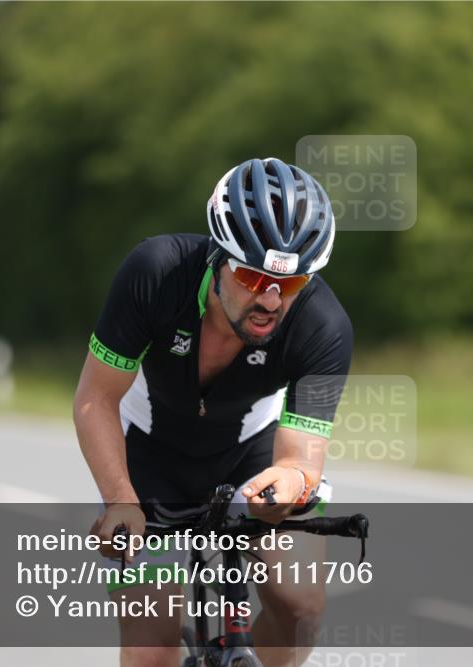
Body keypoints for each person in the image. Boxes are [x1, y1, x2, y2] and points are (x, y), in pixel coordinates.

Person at [73, 157, 352, 667]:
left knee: (300, 605)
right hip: (149, 462)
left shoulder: (323, 325)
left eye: (289, 285)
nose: (270, 299)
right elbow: (95, 398)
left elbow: (302, 463)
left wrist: (288, 487)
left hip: (254, 458)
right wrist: (120, 501)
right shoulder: (156, 273)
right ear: (216, 258)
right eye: (252, 276)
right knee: (151, 647)